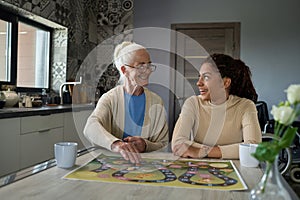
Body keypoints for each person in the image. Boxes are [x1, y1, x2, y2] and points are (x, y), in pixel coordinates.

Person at [84, 41, 169, 163]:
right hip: (112, 165)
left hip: (146, 168)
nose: (148, 70)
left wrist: (145, 145)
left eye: (149, 65)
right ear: (124, 70)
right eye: (141, 66)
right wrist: (116, 144)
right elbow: (90, 127)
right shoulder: (110, 98)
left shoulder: (156, 101)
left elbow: (164, 144)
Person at [171, 53, 262, 159]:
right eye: (199, 77)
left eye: (206, 77)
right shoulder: (193, 103)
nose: (198, 83)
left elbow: (253, 147)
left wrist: (200, 152)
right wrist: (229, 151)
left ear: (226, 83)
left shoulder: (245, 106)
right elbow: (178, 144)